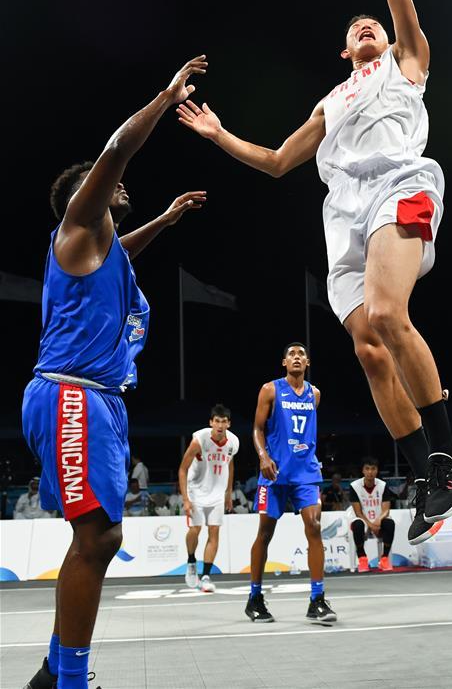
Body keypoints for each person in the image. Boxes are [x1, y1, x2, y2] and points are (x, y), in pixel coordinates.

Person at [177, 0, 452, 546]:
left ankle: (449, 455)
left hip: (399, 186)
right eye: (356, 29)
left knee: (392, 318)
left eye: (374, 26)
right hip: (342, 219)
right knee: (370, 350)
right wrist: (220, 134)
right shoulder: (331, 100)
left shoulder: (406, 63)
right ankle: (426, 473)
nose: (367, 28)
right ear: (344, 52)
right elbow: (280, 160)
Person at [21, 54, 207, 689]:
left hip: (94, 398)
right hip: (72, 393)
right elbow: (120, 148)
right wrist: (166, 94)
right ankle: (67, 678)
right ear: (87, 194)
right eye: (112, 187)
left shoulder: (104, 253)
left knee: (96, 536)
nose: (122, 189)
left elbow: (126, 249)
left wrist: (168, 219)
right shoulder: (78, 225)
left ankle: (57, 669)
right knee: (98, 537)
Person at [245, 343, 336, 624]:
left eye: (301, 354)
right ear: (284, 362)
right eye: (291, 354)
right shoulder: (270, 390)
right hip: (274, 473)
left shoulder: (315, 394)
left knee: (315, 526)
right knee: (265, 534)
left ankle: (317, 599)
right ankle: (255, 597)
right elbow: (258, 429)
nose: (296, 357)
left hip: (305, 472)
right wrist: (263, 457)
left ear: (307, 362)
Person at [178, 403, 239, 592]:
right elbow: (182, 469)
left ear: (228, 424)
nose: (220, 425)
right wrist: (186, 499)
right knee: (195, 529)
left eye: (224, 422)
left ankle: (205, 576)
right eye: (217, 421)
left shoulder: (233, 442)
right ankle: (191, 562)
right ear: (211, 422)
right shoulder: (199, 441)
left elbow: (229, 465)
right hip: (196, 490)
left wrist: (228, 493)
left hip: (217, 494)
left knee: (214, 532)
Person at [349, 457, 396, 572]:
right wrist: (371, 525)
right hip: (363, 519)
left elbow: (386, 509)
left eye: (373, 469)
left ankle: (384, 558)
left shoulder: (383, 485)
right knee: (358, 525)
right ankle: (362, 558)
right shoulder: (354, 486)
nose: (370, 472)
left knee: (390, 523)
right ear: (363, 471)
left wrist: (378, 520)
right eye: (367, 469)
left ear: (377, 470)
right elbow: (358, 512)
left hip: (378, 519)